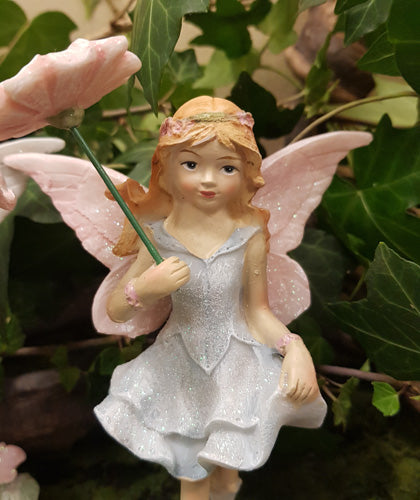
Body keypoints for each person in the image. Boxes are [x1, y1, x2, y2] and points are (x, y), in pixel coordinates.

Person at [93, 96, 327, 500]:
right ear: (167, 168)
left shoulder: (249, 237)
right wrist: (144, 289)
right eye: (191, 164)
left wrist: (295, 348)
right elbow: (115, 310)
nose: (208, 180)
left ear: (245, 172)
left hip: (238, 364)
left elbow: (257, 311)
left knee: (227, 466)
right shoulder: (157, 237)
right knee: (192, 470)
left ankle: (228, 489)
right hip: (179, 365)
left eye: (226, 168)